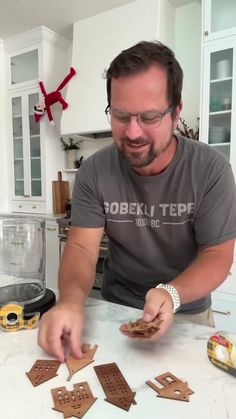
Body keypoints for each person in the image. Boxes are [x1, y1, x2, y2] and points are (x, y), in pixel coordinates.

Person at [38, 41, 236, 362]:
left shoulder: (210, 169)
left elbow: (217, 255)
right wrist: (71, 303)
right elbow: (82, 248)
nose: (132, 132)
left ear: (176, 112)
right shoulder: (94, 170)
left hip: (185, 308)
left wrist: (170, 294)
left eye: (149, 116)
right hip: (115, 305)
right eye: (120, 115)